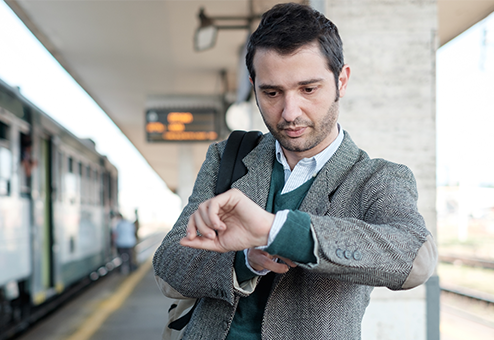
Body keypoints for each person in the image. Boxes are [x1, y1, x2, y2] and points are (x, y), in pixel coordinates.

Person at [152, 3, 437, 339]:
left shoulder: (376, 179)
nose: (289, 112)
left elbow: (414, 259)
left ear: (341, 81)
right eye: (271, 93)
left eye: (308, 89)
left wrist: (277, 230)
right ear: (253, 86)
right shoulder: (227, 156)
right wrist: (246, 261)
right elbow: (169, 268)